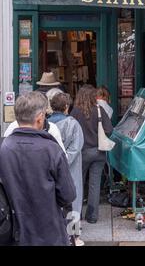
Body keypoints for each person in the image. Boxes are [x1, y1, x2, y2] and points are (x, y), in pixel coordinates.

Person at [0, 92, 76, 246]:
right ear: (40, 118)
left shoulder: (4, 147)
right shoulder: (51, 149)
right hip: (48, 231)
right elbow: (68, 195)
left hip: (15, 231)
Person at [71, 85, 113, 224]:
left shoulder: (76, 111)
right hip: (98, 151)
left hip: (82, 152)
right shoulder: (100, 110)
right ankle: (92, 216)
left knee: (78, 183)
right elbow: (109, 130)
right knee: (95, 184)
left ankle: (77, 215)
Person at [48, 93, 85, 246]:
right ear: (66, 107)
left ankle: (56, 232)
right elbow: (76, 148)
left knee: (54, 201)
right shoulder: (72, 123)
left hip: (50, 169)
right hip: (70, 169)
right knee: (73, 202)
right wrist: (63, 162)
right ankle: (74, 236)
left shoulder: (46, 123)